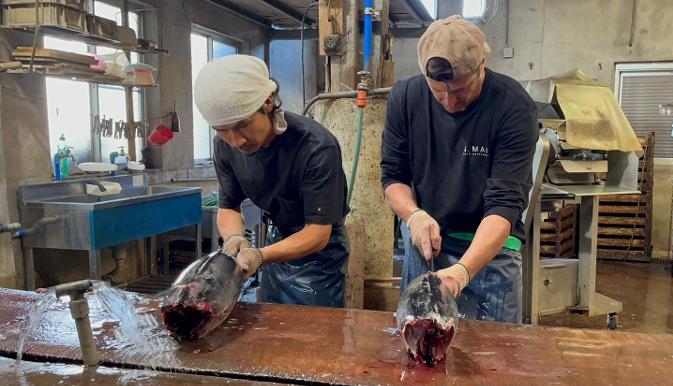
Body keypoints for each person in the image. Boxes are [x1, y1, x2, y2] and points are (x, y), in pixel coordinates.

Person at [380, 16, 537, 323]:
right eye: (438, 91)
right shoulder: (404, 98)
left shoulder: (513, 106)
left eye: (461, 90)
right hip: (427, 240)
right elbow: (393, 177)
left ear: (481, 66)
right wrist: (414, 215)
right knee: (421, 343)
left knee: (493, 356)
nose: (450, 101)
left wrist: (463, 272)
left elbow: (505, 204)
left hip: (491, 247)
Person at [194, 54, 349, 307]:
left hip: (320, 253)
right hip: (275, 241)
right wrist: (234, 237)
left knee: (316, 334)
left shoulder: (315, 147)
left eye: (243, 125)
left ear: (268, 102)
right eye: (222, 130)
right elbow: (228, 207)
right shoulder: (224, 147)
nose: (236, 141)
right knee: (270, 324)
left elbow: (318, 234)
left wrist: (259, 256)